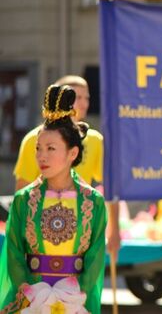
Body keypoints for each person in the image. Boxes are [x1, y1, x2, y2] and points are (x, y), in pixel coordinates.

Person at [0, 84, 106, 313]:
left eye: (51, 148)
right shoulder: (24, 200)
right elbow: (14, 253)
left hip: (76, 299)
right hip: (30, 299)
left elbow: (96, 255)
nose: (41, 156)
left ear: (73, 153)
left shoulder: (93, 202)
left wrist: (78, 295)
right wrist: (29, 292)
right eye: (38, 148)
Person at [13, 75, 121, 258]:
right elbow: (22, 190)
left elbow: (111, 187)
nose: (83, 103)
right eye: (77, 97)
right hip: (42, 227)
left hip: (81, 225)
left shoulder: (94, 140)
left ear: (74, 152)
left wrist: (114, 228)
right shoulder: (34, 139)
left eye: (87, 98)